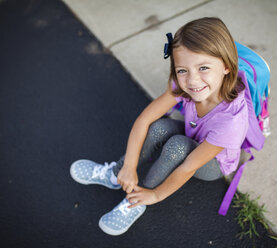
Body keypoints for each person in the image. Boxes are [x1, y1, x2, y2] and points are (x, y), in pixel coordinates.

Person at [70, 17, 248, 236]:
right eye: (183, 70)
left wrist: (156, 195)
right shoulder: (184, 84)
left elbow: (188, 166)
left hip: (212, 165)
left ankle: (138, 198)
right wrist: (129, 166)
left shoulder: (231, 122)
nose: (192, 81)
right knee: (159, 128)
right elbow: (144, 120)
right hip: (194, 133)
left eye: (203, 68)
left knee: (178, 146)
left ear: (226, 67)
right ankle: (117, 173)